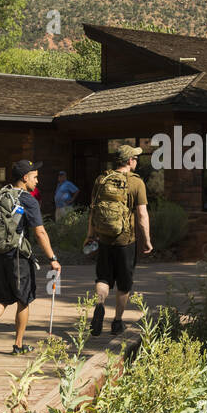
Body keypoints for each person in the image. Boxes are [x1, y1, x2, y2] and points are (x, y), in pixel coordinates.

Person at [0, 160, 60, 356]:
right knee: (23, 300)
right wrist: (52, 258)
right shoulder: (27, 200)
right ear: (25, 178)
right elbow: (40, 232)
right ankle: (18, 345)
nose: (37, 181)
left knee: (2, 298)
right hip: (18, 257)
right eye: (35, 177)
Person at [87, 144, 152, 337]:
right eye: (135, 158)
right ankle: (117, 322)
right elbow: (142, 215)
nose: (137, 161)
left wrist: (90, 235)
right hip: (126, 241)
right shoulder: (136, 183)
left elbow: (93, 210)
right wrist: (147, 240)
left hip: (104, 238)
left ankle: (99, 306)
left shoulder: (101, 179)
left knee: (103, 278)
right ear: (129, 161)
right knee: (124, 284)